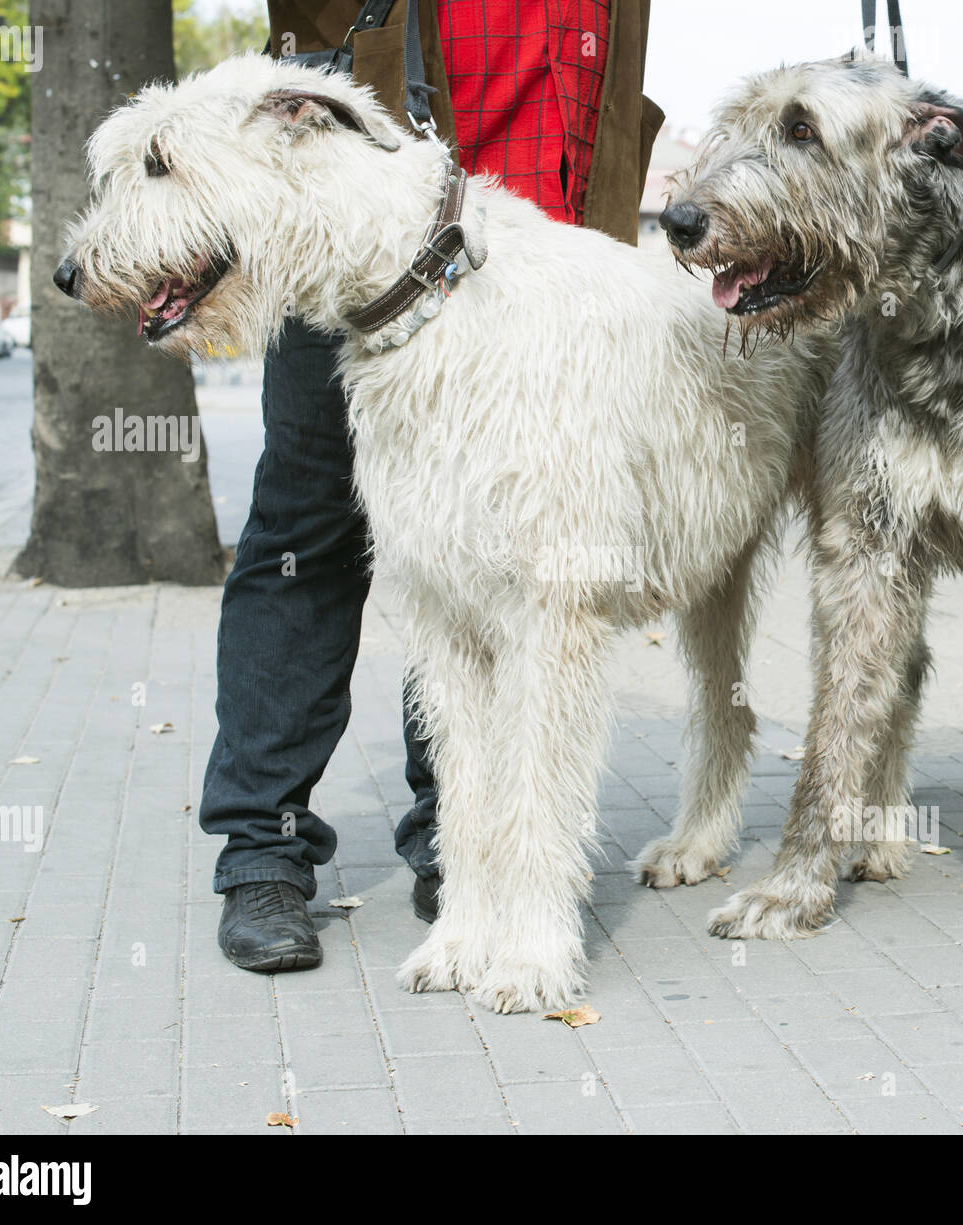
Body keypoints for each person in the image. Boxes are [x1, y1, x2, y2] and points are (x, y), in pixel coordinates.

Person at [201, 0, 663, 971]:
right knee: (308, 524)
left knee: (487, 558)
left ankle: (453, 840)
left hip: (541, 262)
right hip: (362, 238)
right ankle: (264, 851)